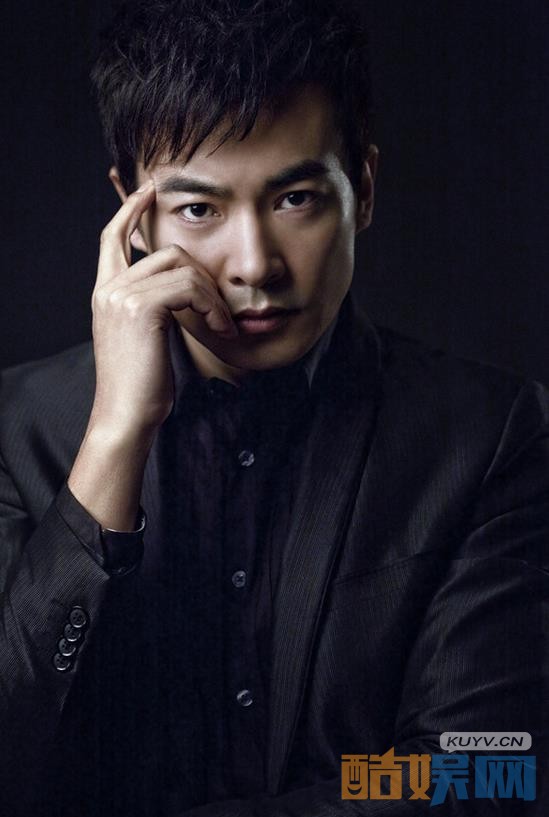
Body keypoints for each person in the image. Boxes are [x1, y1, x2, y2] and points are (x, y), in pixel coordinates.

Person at [0, 1, 546, 815]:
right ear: (132, 216)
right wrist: (113, 440)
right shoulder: (17, 429)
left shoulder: (486, 433)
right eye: (198, 209)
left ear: (362, 189)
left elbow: (481, 769)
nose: (254, 265)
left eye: (295, 198)